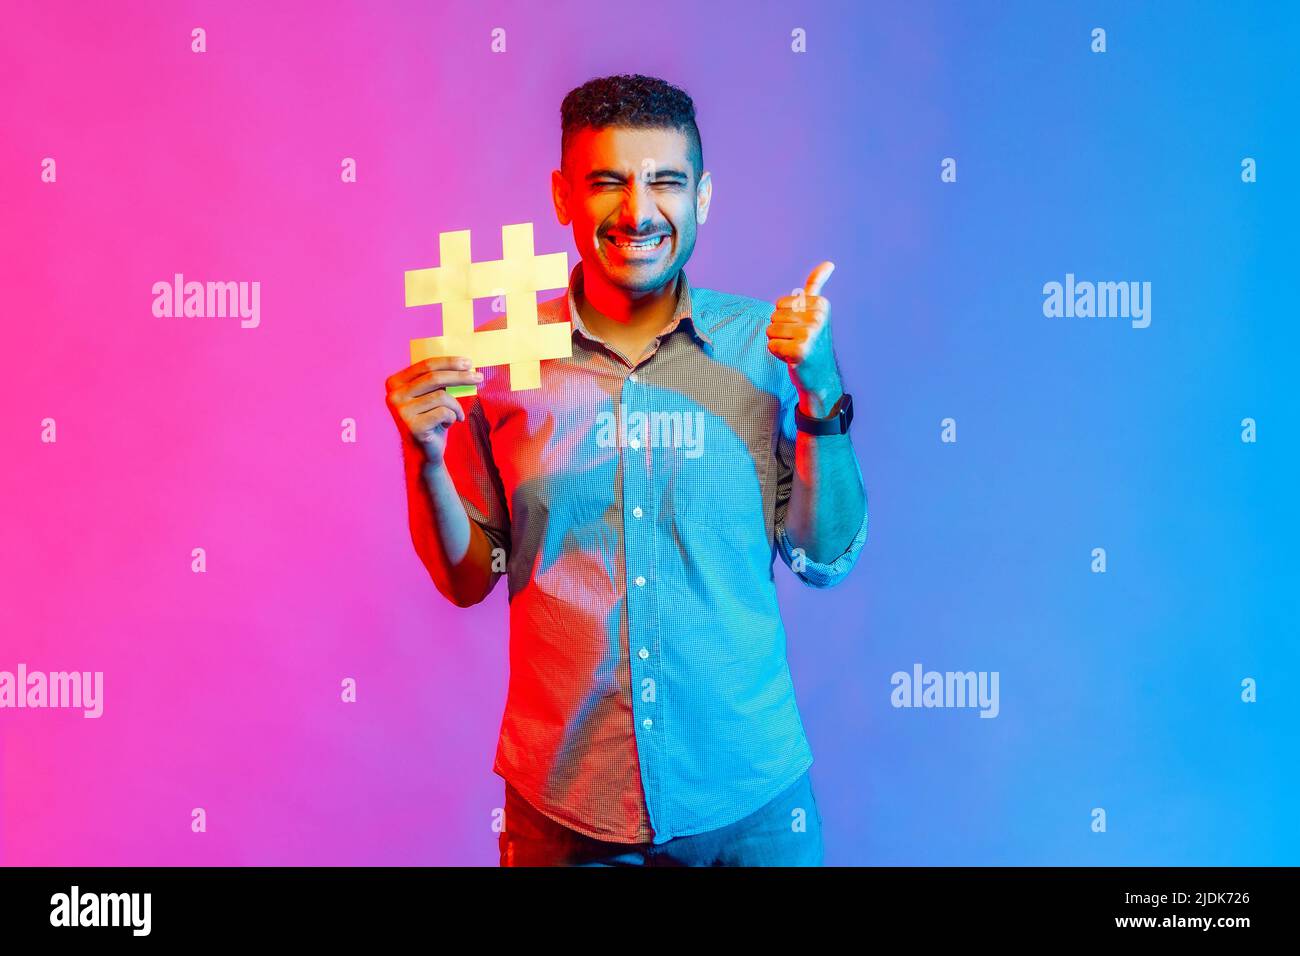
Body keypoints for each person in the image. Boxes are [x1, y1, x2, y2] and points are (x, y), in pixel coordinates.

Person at [384, 74, 868, 866]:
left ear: (702, 196)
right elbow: (469, 578)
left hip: (749, 801)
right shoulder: (498, 362)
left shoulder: (766, 348)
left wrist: (820, 395)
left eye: (665, 182)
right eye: (607, 181)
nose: (638, 212)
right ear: (562, 196)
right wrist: (424, 455)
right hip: (566, 807)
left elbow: (826, 559)